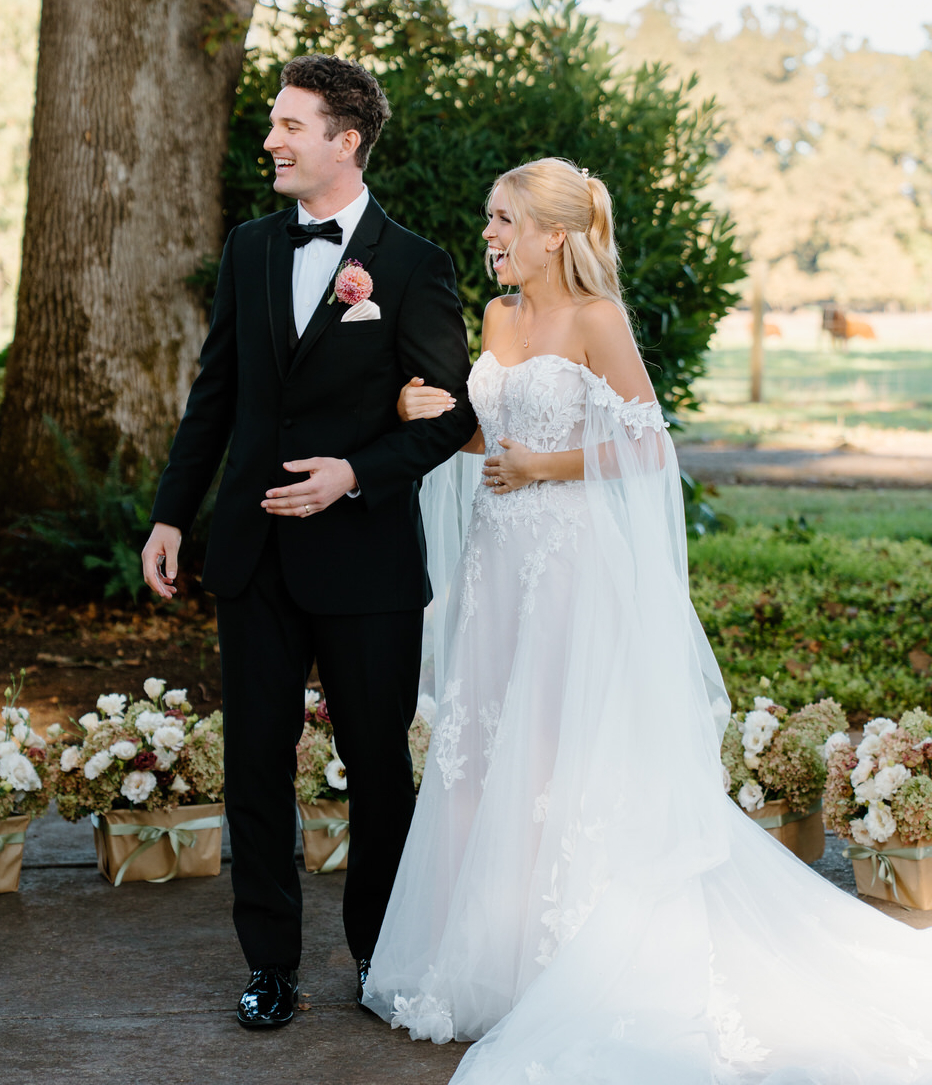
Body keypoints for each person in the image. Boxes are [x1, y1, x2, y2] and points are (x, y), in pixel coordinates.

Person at [364, 156, 932, 1083]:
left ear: (555, 233)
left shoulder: (597, 319)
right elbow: (484, 435)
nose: (489, 235)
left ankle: (567, 955)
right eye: (487, 218)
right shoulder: (500, 316)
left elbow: (646, 443)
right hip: (501, 565)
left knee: (562, 747)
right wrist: (429, 412)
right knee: (492, 747)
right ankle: (484, 951)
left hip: (574, 569)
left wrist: (542, 468)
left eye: (502, 219)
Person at [141, 54, 476, 1032]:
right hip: (250, 553)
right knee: (254, 761)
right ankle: (271, 965)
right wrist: (172, 513)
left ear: (346, 140)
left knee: (377, 770)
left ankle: (380, 956)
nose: (272, 141)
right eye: (274, 125)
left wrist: (354, 473)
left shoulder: (412, 263)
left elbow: (447, 416)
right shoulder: (249, 247)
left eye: (291, 126)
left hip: (365, 560)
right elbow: (216, 394)